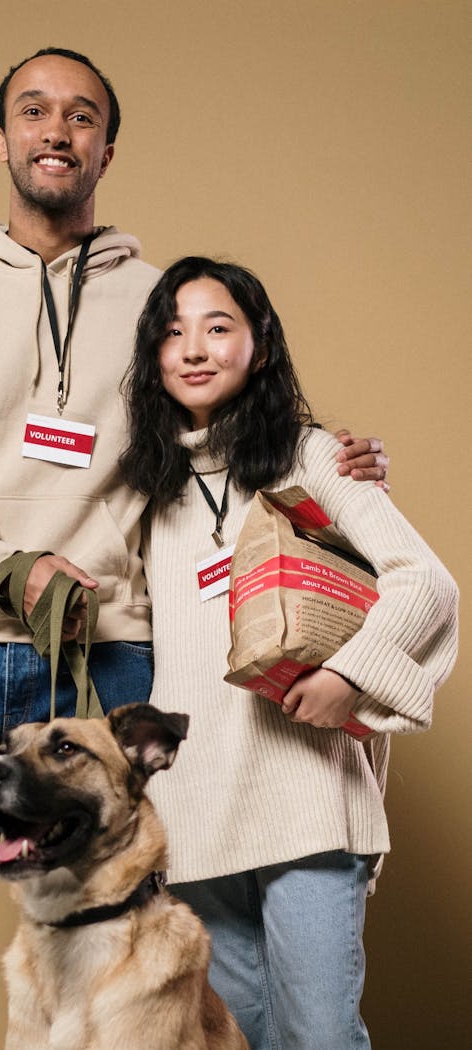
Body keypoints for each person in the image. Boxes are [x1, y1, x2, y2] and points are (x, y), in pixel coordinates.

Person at [0, 49, 387, 1050]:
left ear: (107, 146)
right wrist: (4, 564)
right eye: (34, 112)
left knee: (154, 948)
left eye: (81, 116)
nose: (56, 130)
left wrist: (324, 462)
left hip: (112, 668)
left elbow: (224, 415)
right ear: (0, 138)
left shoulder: (152, 303)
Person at [119, 256, 458, 1050]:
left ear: (261, 347)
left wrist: (349, 675)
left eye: (218, 327)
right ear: (152, 356)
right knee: (235, 1041)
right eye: (172, 333)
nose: (194, 349)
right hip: (195, 816)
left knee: (321, 1037)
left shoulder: (311, 457)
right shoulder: (142, 489)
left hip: (304, 798)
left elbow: (426, 584)